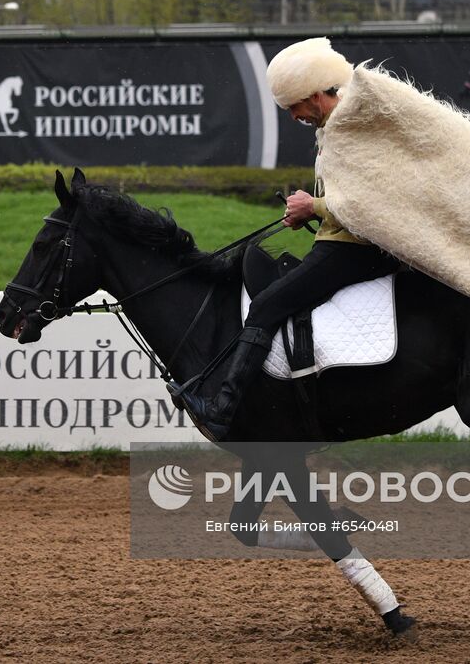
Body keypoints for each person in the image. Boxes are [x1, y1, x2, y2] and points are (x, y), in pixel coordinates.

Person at [170, 37, 400, 441]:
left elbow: (369, 205)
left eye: (294, 107)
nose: (293, 117)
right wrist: (312, 211)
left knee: (266, 306)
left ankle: (224, 409)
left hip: (353, 251)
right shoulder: (339, 125)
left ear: (314, 97)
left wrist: (313, 207)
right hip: (343, 243)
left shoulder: (347, 127)